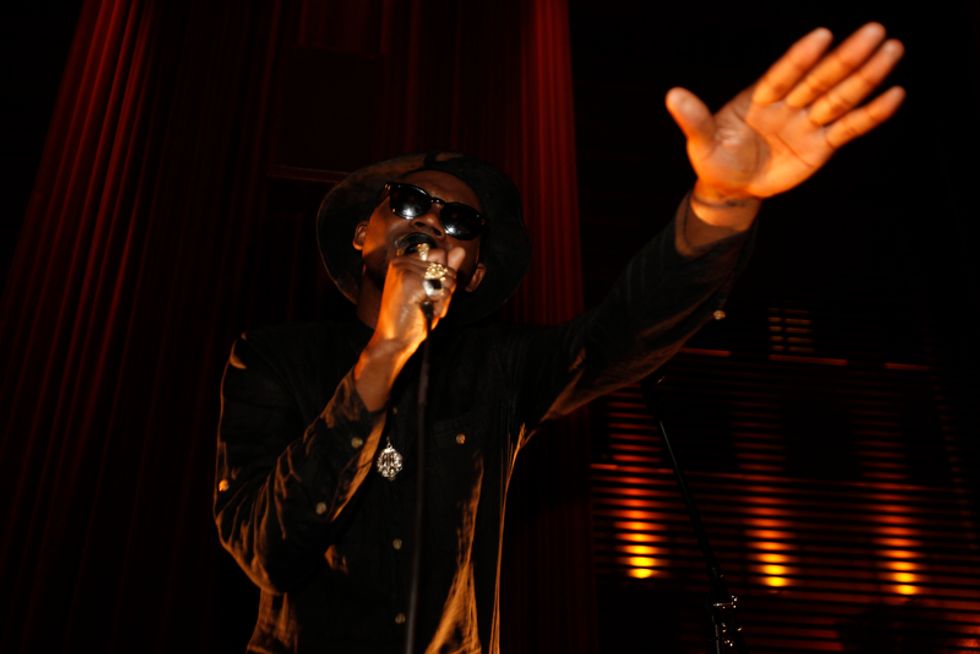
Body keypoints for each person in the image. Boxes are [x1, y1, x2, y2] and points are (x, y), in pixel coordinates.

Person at [214, 22, 905, 653]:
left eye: (459, 223)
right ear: (363, 230)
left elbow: (625, 333)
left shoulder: (499, 367)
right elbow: (268, 550)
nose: (430, 223)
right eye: (409, 202)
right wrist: (384, 356)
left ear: (474, 273)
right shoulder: (272, 357)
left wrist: (722, 203)